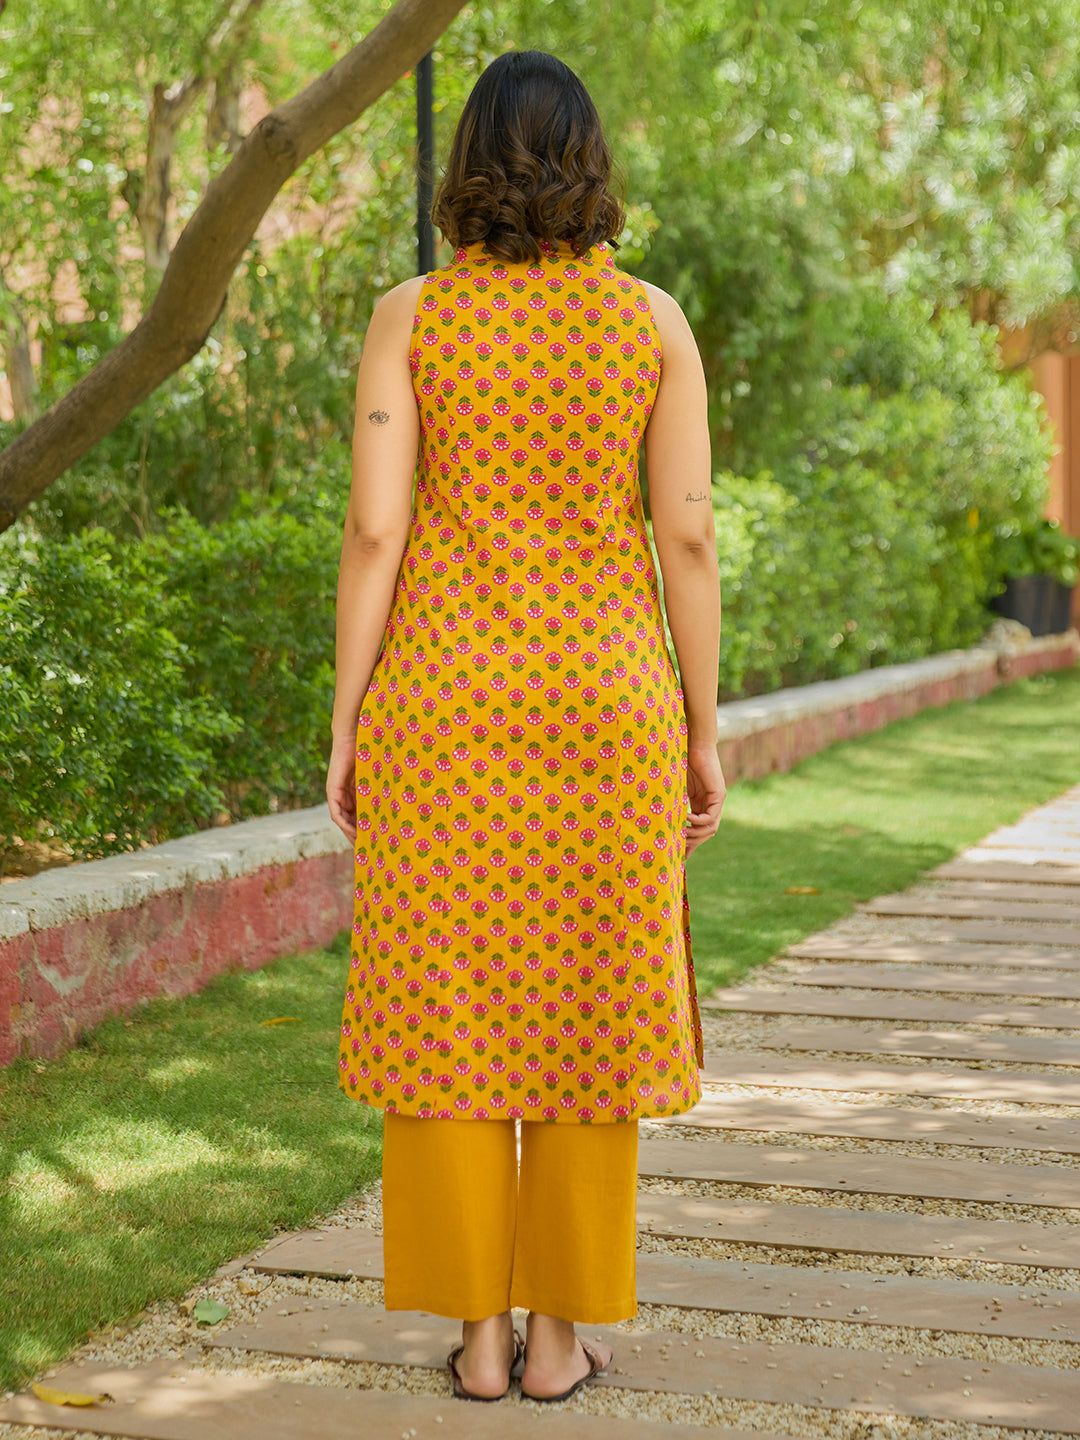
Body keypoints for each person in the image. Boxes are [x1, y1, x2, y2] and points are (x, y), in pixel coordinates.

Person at [326, 48, 725, 1405]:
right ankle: (561, 1341)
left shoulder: (412, 318)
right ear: (589, 161)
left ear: (467, 166)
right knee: (591, 1008)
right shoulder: (652, 324)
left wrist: (348, 722)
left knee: (445, 1007)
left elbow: (375, 528)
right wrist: (702, 728)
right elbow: (687, 537)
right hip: (607, 710)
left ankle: (480, 1341)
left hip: (443, 706)